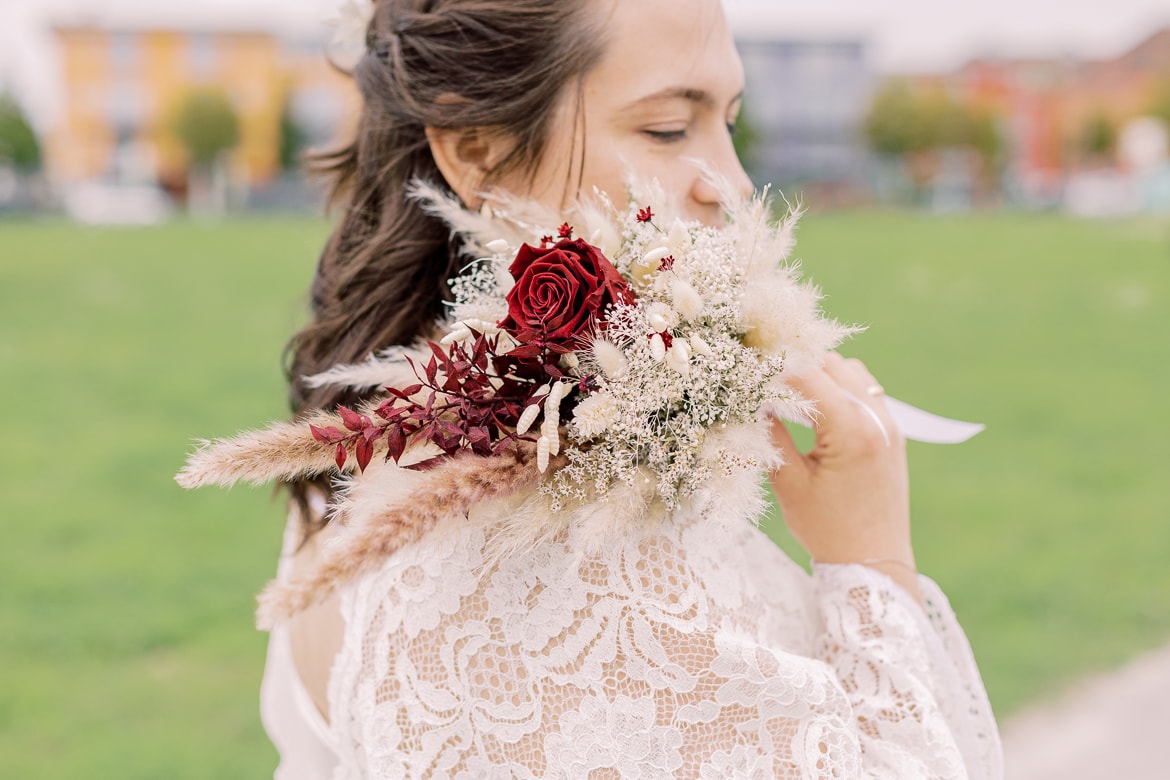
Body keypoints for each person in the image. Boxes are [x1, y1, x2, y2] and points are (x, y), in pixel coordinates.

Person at [260, 0, 1004, 777]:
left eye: (731, 120)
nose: (737, 185)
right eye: (670, 130)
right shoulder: (532, 555)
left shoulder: (413, 417)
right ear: (477, 152)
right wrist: (872, 561)